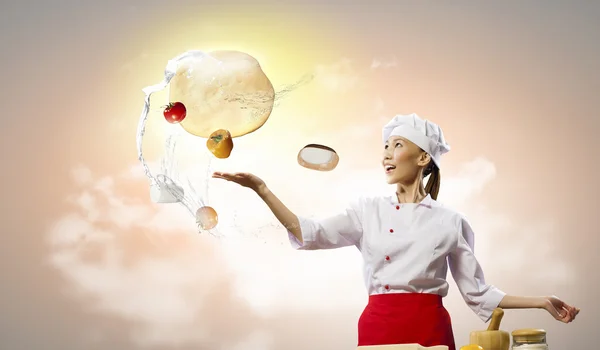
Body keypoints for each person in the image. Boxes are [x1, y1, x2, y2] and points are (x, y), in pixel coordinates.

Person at [212, 113, 580, 350]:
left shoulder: (450, 221)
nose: (387, 154)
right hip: (378, 327)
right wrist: (261, 189)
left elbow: (478, 292)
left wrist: (541, 301)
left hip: (429, 328)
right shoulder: (366, 210)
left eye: (397, 145)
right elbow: (309, 234)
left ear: (423, 159)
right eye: (385, 147)